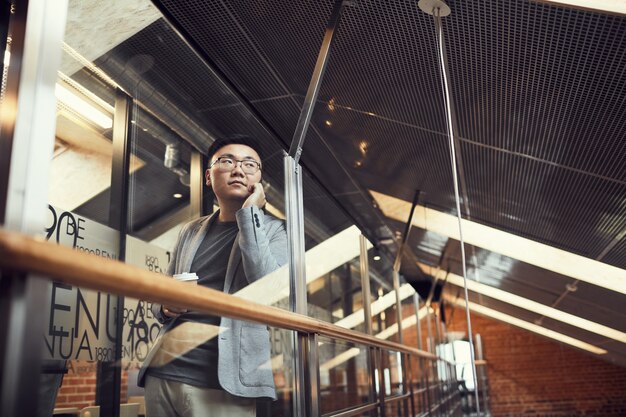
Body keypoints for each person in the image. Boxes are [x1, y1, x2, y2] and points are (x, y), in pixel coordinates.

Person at [138, 136, 288, 417]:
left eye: (249, 164)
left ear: (259, 179)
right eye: (227, 161)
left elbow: (266, 286)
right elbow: (165, 290)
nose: (238, 169)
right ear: (208, 177)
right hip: (164, 370)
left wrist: (250, 213)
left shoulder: (276, 231)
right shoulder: (189, 231)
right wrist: (165, 306)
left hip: (224, 383)